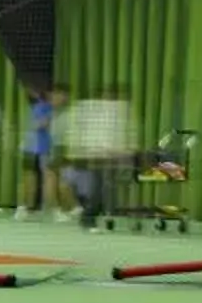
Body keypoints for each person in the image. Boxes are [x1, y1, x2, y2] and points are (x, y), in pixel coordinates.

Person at [57, 87, 138, 232]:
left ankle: (92, 215)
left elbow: (128, 134)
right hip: (95, 157)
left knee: (106, 189)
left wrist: (127, 150)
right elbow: (81, 134)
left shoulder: (121, 112)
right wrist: (79, 151)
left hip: (114, 157)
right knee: (97, 188)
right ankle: (88, 218)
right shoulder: (90, 111)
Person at [17, 84, 67, 222]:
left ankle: (28, 209)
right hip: (35, 148)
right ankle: (26, 209)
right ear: (52, 95)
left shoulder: (49, 108)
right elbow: (37, 125)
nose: (63, 99)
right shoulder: (44, 107)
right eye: (60, 96)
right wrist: (47, 121)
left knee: (47, 179)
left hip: (41, 148)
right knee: (39, 179)